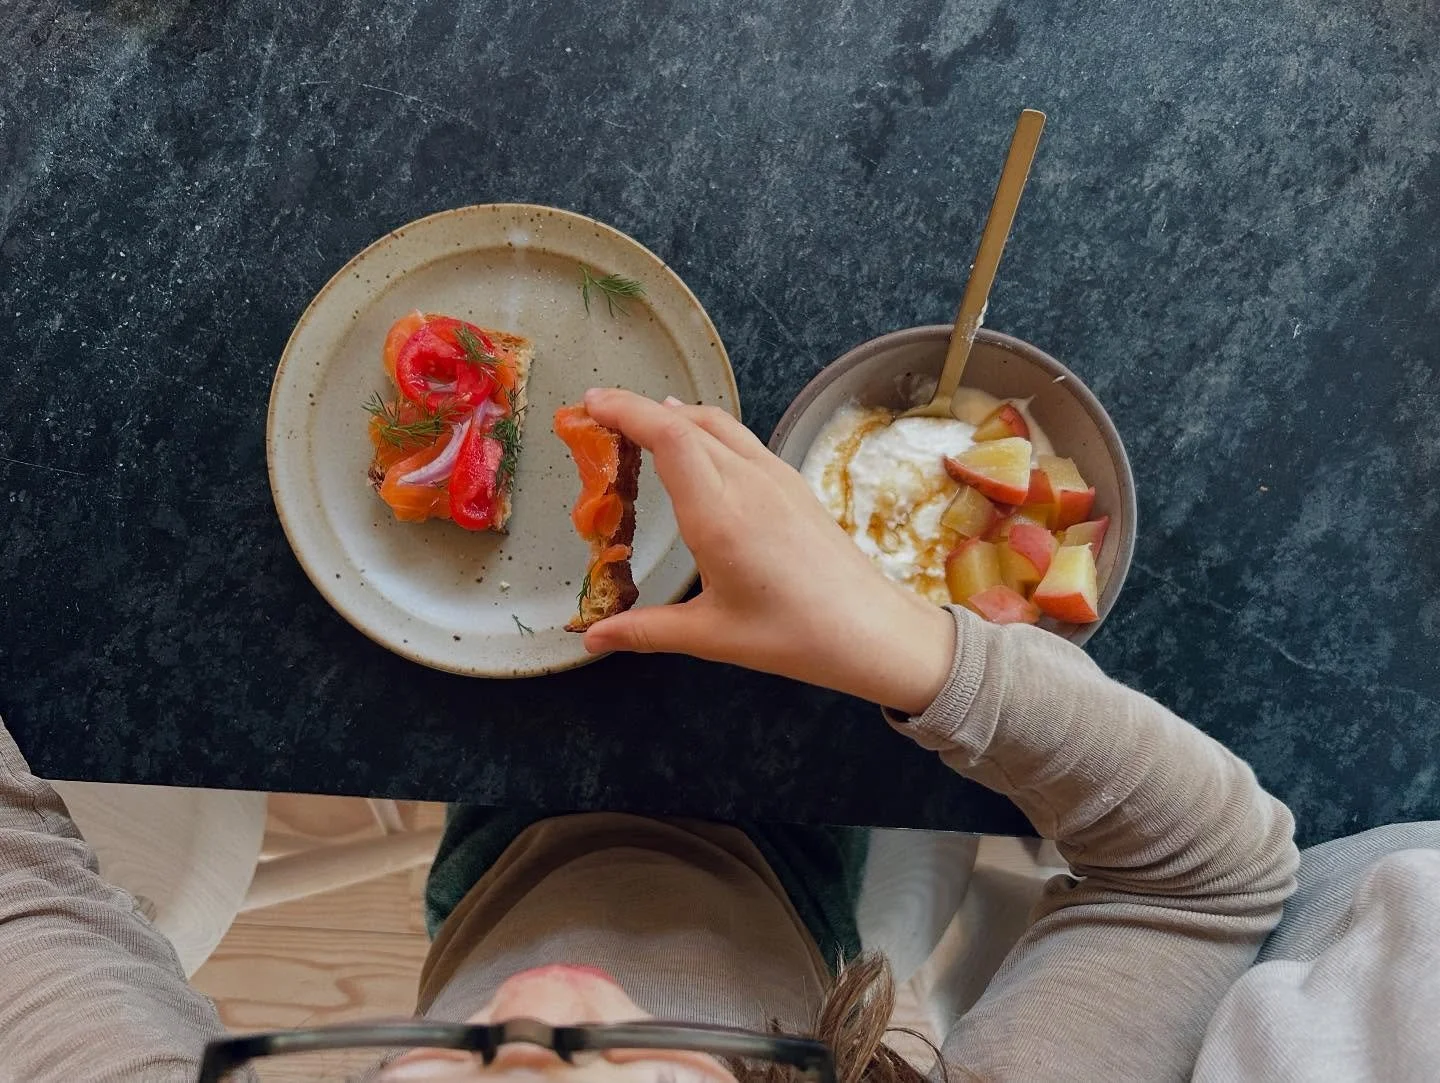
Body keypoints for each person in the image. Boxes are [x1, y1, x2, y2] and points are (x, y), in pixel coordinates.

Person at [0, 387, 1436, 1082]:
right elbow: (1210, 874)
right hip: (824, 936)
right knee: (903, 890)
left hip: (498, 864)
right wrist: (901, 637)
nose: (518, 1044)